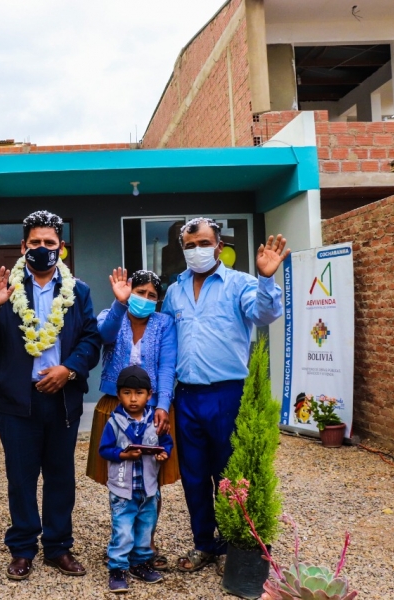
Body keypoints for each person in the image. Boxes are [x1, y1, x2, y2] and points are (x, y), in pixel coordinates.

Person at [0, 210, 101, 581]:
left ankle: (58, 546)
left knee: (60, 477)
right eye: (36, 243)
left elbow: (91, 338)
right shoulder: (5, 289)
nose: (42, 249)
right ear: (23, 246)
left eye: (50, 243)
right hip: (18, 402)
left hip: (62, 398)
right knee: (21, 478)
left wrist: (68, 369)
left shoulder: (80, 291)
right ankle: (23, 548)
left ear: (62, 248)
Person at [160, 217, 288, 574]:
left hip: (227, 395)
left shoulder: (240, 284)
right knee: (194, 475)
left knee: (230, 474)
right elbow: (169, 344)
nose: (196, 250)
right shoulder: (175, 291)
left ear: (219, 246)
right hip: (185, 397)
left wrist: (266, 278)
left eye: (203, 243)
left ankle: (237, 543)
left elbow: (265, 313)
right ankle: (204, 544)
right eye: (189, 245)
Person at [85, 268, 178, 570]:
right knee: (119, 478)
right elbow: (104, 335)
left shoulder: (164, 324)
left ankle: (145, 544)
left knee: (152, 478)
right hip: (115, 406)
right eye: (141, 293)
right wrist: (120, 303)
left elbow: (166, 367)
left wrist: (163, 404)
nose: (146, 299)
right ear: (130, 291)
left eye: (152, 295)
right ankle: (120, 541)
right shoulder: (112, 315)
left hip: (153, 409)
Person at [99, 365, 173, 593]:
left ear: (149, 395)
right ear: (119, 394)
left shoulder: (155, 421)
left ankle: (140, 563)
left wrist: (164, 453)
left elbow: (166, 442)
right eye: (127, 393)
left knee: (145, 528)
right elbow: (104, 450)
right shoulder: (114, 422)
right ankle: (118, 568)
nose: (133, 399)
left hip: (148, 489)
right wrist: (122, 454)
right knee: (122, 529)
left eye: (139, 393)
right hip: (122, 489)